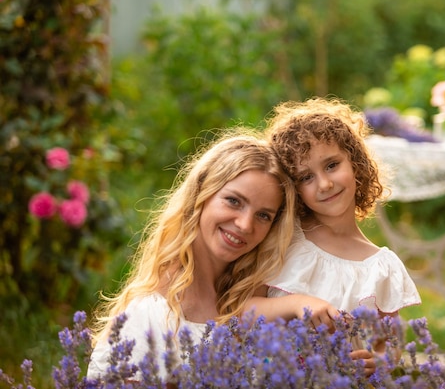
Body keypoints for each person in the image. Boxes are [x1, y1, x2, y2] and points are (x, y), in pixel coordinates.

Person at [87, 131, 297, 383]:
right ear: (201, 193)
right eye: (233, 201)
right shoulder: (152, 312)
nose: (244, 224)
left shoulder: (256, 303)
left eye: (263, 215)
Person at [245, 97, 422, 371]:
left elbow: (391, 342)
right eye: (306, 177)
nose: (325, 184)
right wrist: (298, 303)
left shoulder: (381, 268)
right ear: (293, 188)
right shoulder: (285, 240)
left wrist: (379, 361)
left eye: (331, 165)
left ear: (355, 162)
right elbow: (242, 311)